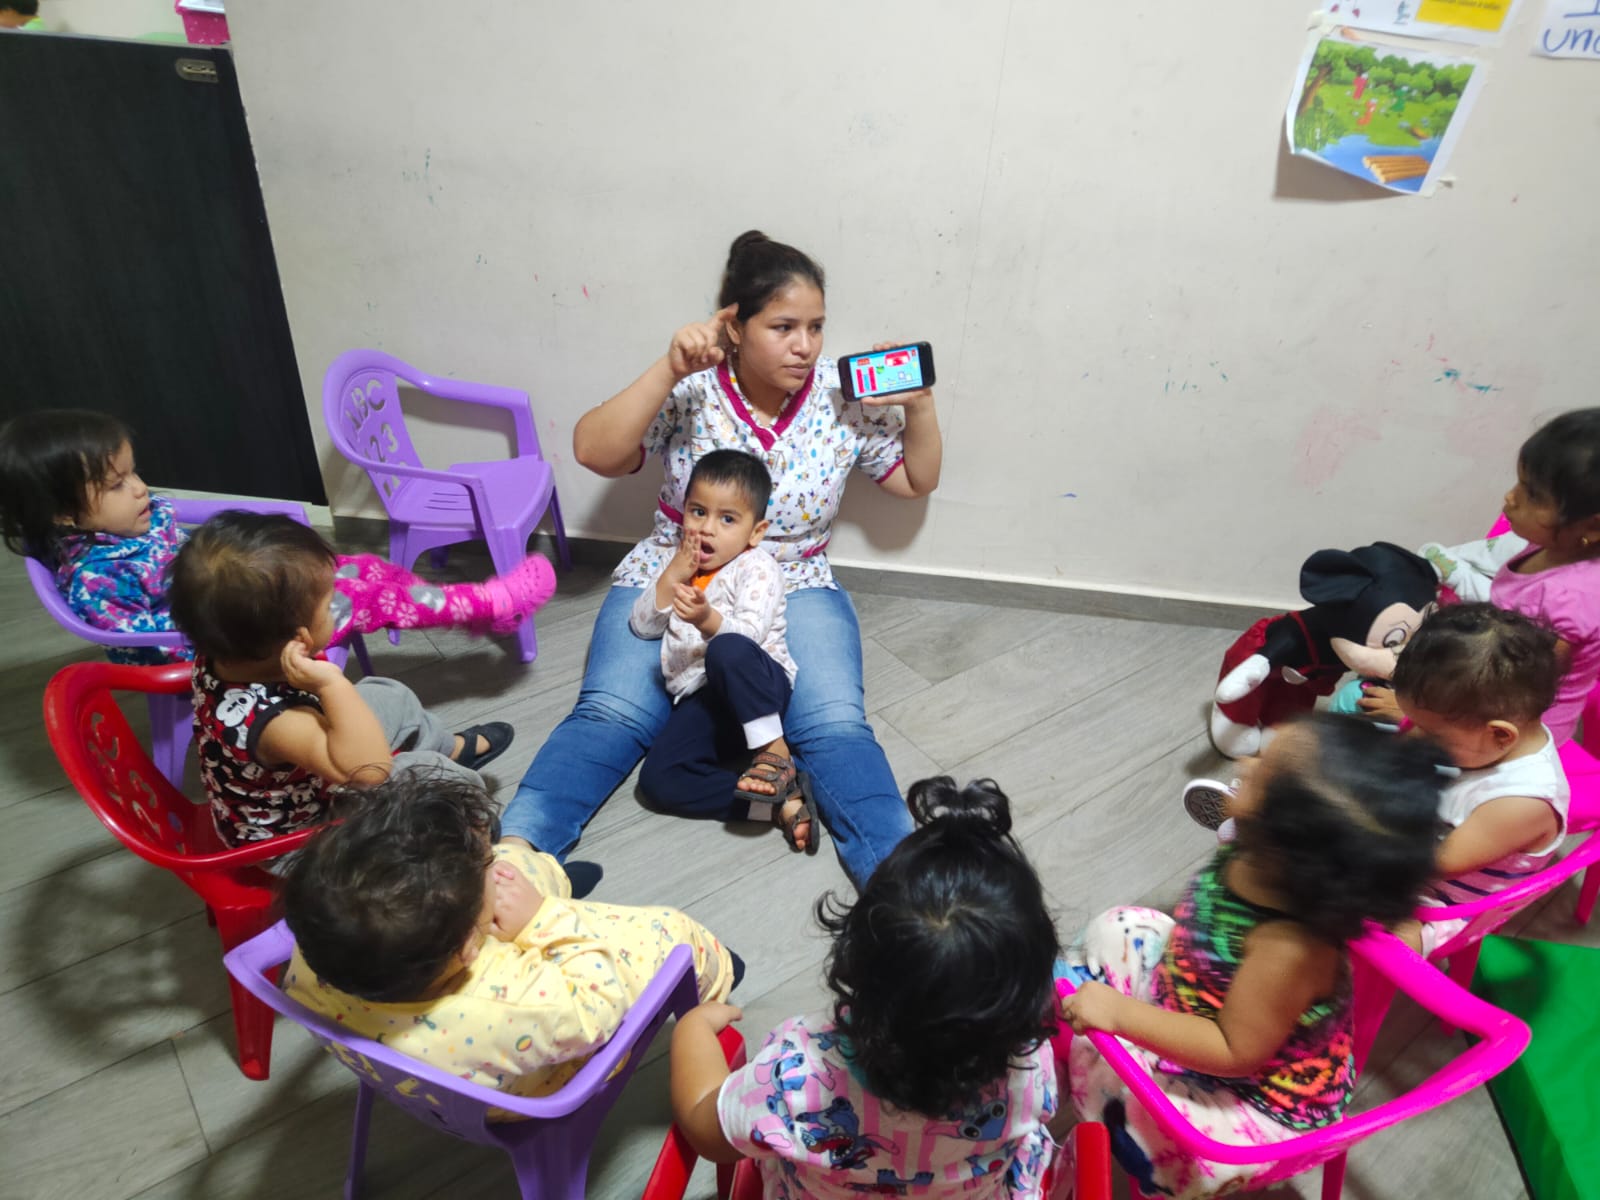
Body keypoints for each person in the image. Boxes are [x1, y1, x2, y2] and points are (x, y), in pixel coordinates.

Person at [502, 230, 942, 885]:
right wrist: (668, 369)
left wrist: (920, 406)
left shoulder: (841, 395)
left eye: (816, 326)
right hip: (676, 570)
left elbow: (914, 481)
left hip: (793, 581)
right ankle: (513, 863)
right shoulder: (694, 388)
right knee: (608, 718)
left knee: (835, 730)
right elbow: (594, 450)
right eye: (784, 327)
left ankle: (906, 891)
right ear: (735, 327)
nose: (805, 345)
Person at [1060, 714, 1444, 1199]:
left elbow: (1232, 1051)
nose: (1245, 762)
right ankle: (1088, 1028)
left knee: (1112, 1076)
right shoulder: (1261, 858)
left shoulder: (1289, 948)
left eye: (1260, 768)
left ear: (1286, 841)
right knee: (1120, 925)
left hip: (1250, 1099)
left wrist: (1121, 1016)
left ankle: (1080, 1082)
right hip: (1204, 1002)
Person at [669, 777, 1064, 1197]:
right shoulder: (1030, 1074)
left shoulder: (797, 1077)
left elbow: (707, 1133)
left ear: (854, 958)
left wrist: (692, 1028)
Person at [281, 771, 737, 1102]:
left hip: (417, 1068)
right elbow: (597, 1004)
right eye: (485, 869)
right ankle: (715, 969)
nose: (492, 867)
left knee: (512, 867)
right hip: (530, 1089)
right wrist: (542, 918)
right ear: (469, 947)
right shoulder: (521, 1007)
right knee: (669, 931)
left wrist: (491, 880)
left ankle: (549, 876)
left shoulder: (323, 937)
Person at [0, 408, 556, 665]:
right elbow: (162, 640)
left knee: (364, 569)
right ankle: (486, 604)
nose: (142, 488)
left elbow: (200, 538)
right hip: (234, 641)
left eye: (134, 472)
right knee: (361, 593)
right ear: (64, 515)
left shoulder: (134, 521)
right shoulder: (97, 580)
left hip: (249, 597)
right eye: (117, 484)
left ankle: (474, 610)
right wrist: (260, 615)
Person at [167, 512, 519, 846]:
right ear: (300, 639)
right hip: (299, 838)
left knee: (386, 695)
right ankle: (471, 831)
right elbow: (370, 771)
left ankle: (448, 746)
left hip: (299, 777)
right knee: (421, 770)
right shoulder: (278, 724)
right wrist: (330, 684)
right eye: (330, 603)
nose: (341, 600)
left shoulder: (229, 649)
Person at [1362, 407, 1600, 743]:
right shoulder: (1550, 546)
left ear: (1592, 526)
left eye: (1532, 494)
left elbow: (1507, 688)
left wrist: (1414, 715)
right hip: (1480, 687)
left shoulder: (1571, 600)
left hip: (1502, 732)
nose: (1511, 497)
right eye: (1519, 482)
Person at [632, 449, 813, 849]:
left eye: (727, 519)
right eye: (698, 512)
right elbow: (643, 626)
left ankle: (775, 752)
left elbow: (747, 636)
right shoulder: (680, 565)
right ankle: (774, 803)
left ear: (756, 531)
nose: (707, 529)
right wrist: (672, 576)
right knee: (658, 781)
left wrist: (706, 619)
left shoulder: (757, 567)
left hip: (757, 688)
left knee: (726, 649)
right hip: (705, 698)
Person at [1388, 603, 1568, 955]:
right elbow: (1396, 757)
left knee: (1382, 938)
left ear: (1501, 735)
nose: (1417, 736)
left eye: (1430, 733)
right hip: (1411, 848)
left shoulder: (1522, 802)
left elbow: (1439, 863)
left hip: (1443, 906)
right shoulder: (1478, 741)